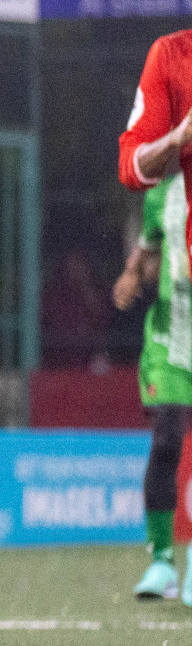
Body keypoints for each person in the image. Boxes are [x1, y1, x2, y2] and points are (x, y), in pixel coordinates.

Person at [114, 173, 192, 604]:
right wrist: (133, 276)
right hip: (169, 337)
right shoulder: (162, 192)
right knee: (166, 440)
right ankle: (162, 562)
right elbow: (147, 251)